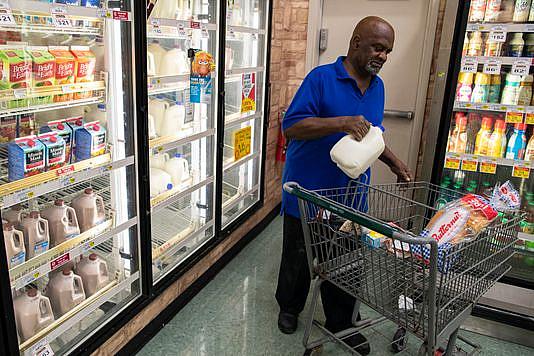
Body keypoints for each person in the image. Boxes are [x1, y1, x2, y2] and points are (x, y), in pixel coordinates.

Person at [275, 16, 414, 354]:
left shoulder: (377, 88)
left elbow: (371, 136)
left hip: (350, 197)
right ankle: (290, 307)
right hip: (308, 190)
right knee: (298, 255)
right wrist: (340, 123)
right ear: (355, 43)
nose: (382, 56)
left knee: (346, 262)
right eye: (377, 47)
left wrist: (394, 162)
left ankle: (341, 322)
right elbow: (292, 126)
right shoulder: (321, 78)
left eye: (388, 51)